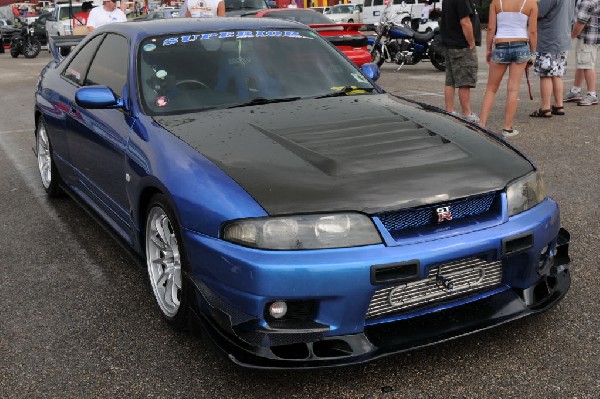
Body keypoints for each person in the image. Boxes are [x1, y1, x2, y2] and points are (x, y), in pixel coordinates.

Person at [479, 0, 538, 137]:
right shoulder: (530, 3)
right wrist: (533, 53)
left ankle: (482, 124)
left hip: (501, 46)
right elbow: (533, 31)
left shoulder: (496, 2)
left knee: (491, 88)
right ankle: (507, 128)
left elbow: (491, 29)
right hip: (521, 46)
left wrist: (488, 49)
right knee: (513, 89)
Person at [529, 0, 575, 118]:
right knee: (558, 74)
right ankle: (559, 105)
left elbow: (538, 12)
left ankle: (545, 108)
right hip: (563, 38)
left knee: (545, 75)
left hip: (548, 39)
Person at [440, 0, 481, 122]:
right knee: (465, 81)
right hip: (461, 45)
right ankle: (467, 113)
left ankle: (449, 110)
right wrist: (472, 43)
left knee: (450, 80)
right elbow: (465, 21)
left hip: (450, 43)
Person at [564, 0, 599, 106]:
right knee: (582, 64)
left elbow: (580, 23)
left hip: (586, 38)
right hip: (593, 37)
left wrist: (570, 38)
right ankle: (575, 91)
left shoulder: (587, 2)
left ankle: (592, 95)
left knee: (587, 66)